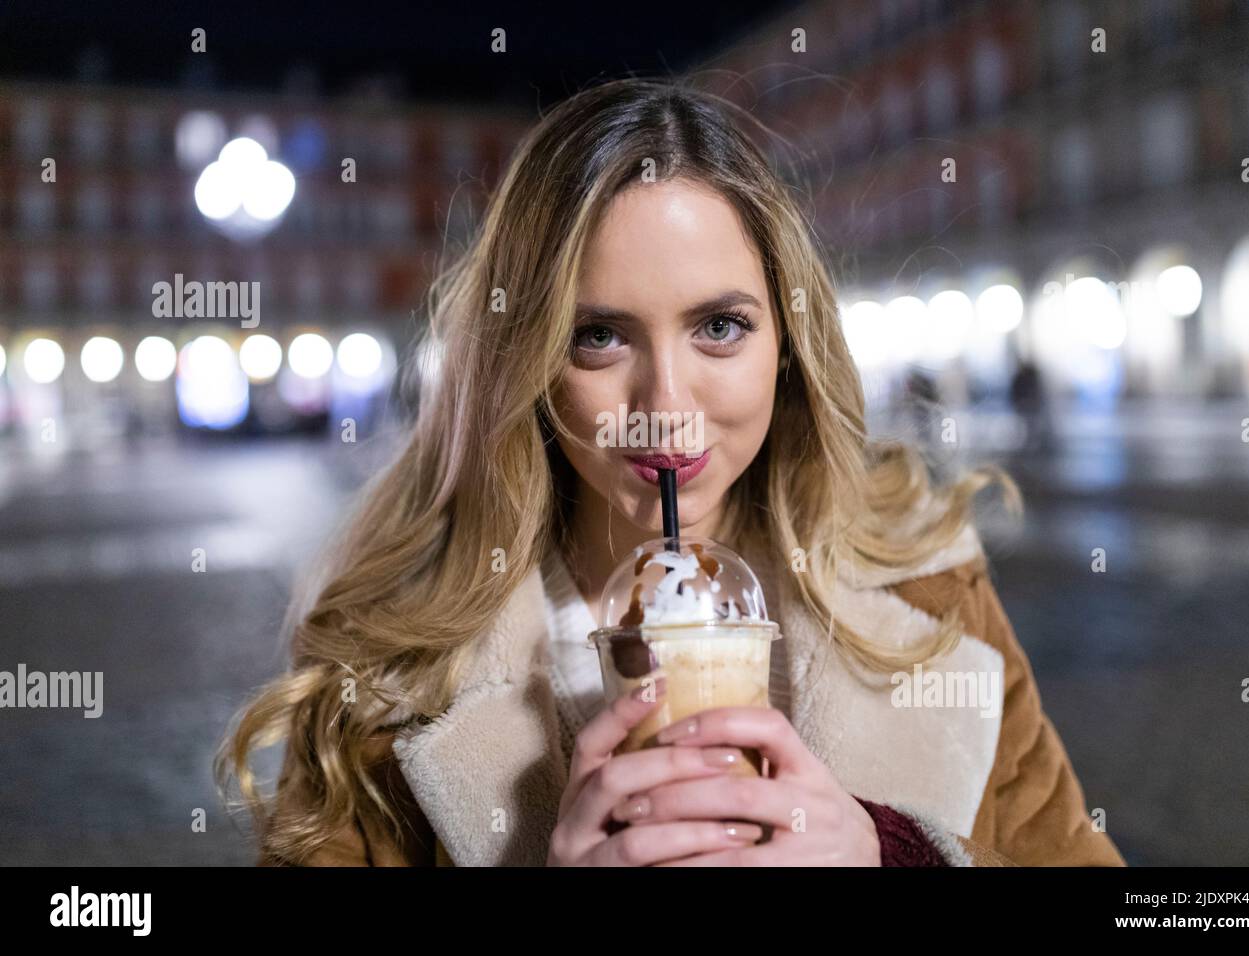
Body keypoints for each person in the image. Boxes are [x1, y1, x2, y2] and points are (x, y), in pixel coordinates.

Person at [215, 77, 1124, 868]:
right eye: (598, 336)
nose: (668, 401)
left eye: (719, 327)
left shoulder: (927, 583)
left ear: (787, 342)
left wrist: (896, 856)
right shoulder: (391, 657)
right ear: (524, 360)